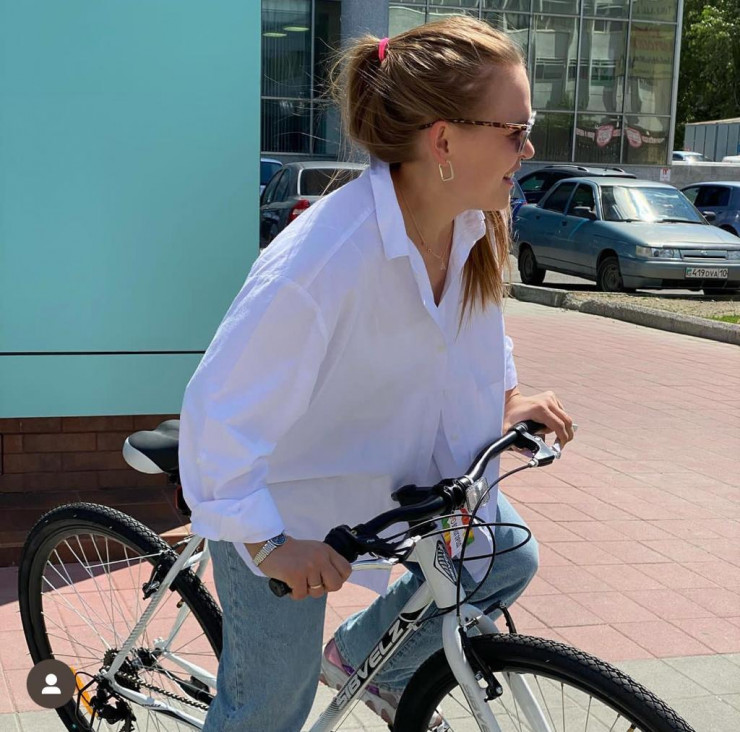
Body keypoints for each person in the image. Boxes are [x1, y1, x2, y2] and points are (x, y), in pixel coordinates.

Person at [179, 16, 575, 731]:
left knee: (502, 560)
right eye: (514, 131)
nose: (528, 148)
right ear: (443, 141)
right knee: (271, 707)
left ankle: (366, 664)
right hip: (286, 504)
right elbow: (217, 413)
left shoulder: (474, 224)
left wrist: (506, 398)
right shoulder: (323, 258)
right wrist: (269, 545)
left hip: (392, 481)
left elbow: (465, 338)